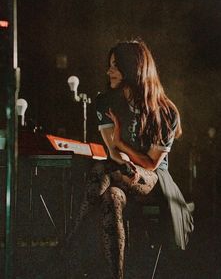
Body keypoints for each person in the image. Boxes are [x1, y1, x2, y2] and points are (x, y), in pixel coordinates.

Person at [66, 40, 194, 279]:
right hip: (118, 173)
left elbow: (150, 164)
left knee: (105, 169)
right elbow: (112, 152)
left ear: (132, 68)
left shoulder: (166, 111)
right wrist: (122, 157)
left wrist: (122, 145)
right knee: (112, 196)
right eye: (109, 65)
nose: (109, 71)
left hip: (154, 181)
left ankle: (72, 238)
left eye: (115, 66)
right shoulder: (105, 102)